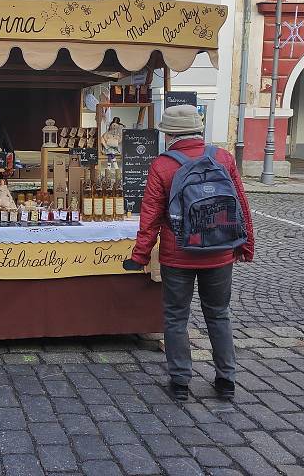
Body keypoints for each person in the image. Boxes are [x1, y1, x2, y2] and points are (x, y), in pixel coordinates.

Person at [122, 105, 254, 402]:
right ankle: (226, 380)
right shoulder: (223, 158)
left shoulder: (162, 165)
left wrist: (140, 256)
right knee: (219, 314)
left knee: (175, 316)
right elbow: (241, 206)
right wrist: (246, 246)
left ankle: (180, 381)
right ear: (200, 128)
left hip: (177, 253)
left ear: (168, 133)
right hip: (220, 252)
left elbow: (151, 216)